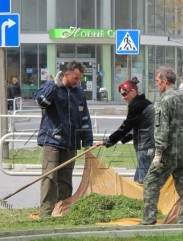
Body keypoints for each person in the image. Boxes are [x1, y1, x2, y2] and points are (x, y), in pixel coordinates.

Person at [140, 66, 183, 225]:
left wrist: (158, 153)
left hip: (169, 151)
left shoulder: (164, 100)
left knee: (151, 182)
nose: (157, 85)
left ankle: (149, 218)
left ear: (165, 81)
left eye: (158, 81)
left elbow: (161, 129)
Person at [33, 60, 93, 218]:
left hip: (71, 142)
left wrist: (88, 142)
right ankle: (46, 212)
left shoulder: (79, 92)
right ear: (65, 74)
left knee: (66, 179)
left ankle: (62, 210)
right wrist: (54, 85)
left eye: (80, 78)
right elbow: (41, 102)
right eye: (75, 78)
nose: (78, 81)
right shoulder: (50, 87)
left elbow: (85, 118)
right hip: (51, 140)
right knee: (50, 177)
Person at [96, 78, 155, 184]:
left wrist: (108, 141)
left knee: (143, 183)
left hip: (145, 148)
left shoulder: (137, 106)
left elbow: (126, 127)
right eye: (122, 95)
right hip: (148, 147)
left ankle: (146, 201)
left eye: (125, 94)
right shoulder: (145, 103)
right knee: (139, 181)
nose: (123, 98)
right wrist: (124, 139)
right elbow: (137, 127)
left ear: (133, 91)